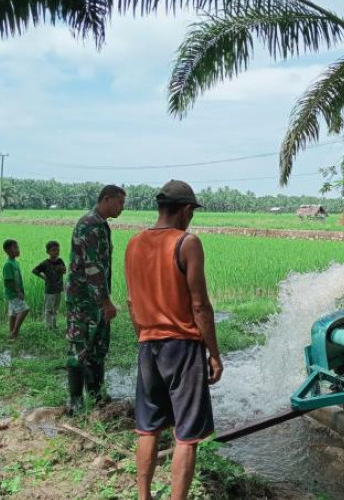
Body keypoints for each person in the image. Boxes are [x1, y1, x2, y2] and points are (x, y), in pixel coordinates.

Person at [125, 180, 223, 500]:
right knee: (186, 435)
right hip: (182, 345)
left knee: (148, 426)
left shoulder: (133, 244)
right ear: (185, 210)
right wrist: (214, 354)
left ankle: (144, 496)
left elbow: (130, 302)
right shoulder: (187, 243)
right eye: (192, 211)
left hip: (147, 344)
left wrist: (143, 335)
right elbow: (200, 306)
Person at [65, 185, 126, 413]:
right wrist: (106, 302)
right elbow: (92, 267)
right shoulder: (90, 225)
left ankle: (97, 394)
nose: (122, 208)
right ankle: (75, 400)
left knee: (98, 348)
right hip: (83, 300)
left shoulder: (101, 224)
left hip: (96, 299)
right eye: (120, 203)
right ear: (107, 199)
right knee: (79, 347)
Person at [32, 240, 66, 329]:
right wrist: (43, 277)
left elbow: (64, 270)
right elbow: (35, 271)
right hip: (50, 290)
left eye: (58, 250)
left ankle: (54, 325)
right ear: (48, 252)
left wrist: (62, 269)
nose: (56, 252)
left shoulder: (60, 261)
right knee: (49, 309)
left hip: (58, 288)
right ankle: (48, 326)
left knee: (56, 308)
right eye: (53, 250)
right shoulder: (45, 263)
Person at [3, 239, 29, 341]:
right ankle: (15, 332)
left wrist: (22, 291)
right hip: (12, 293)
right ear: (8, 250)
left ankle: (12, 334)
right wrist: (18, 292)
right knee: (24, 309)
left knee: (13, 313)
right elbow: (8, 281)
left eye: (18, 247)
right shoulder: (8, 264)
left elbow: (17, 279)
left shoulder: (15, 263)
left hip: (15, 292)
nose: (18, 250)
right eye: (15, 248)